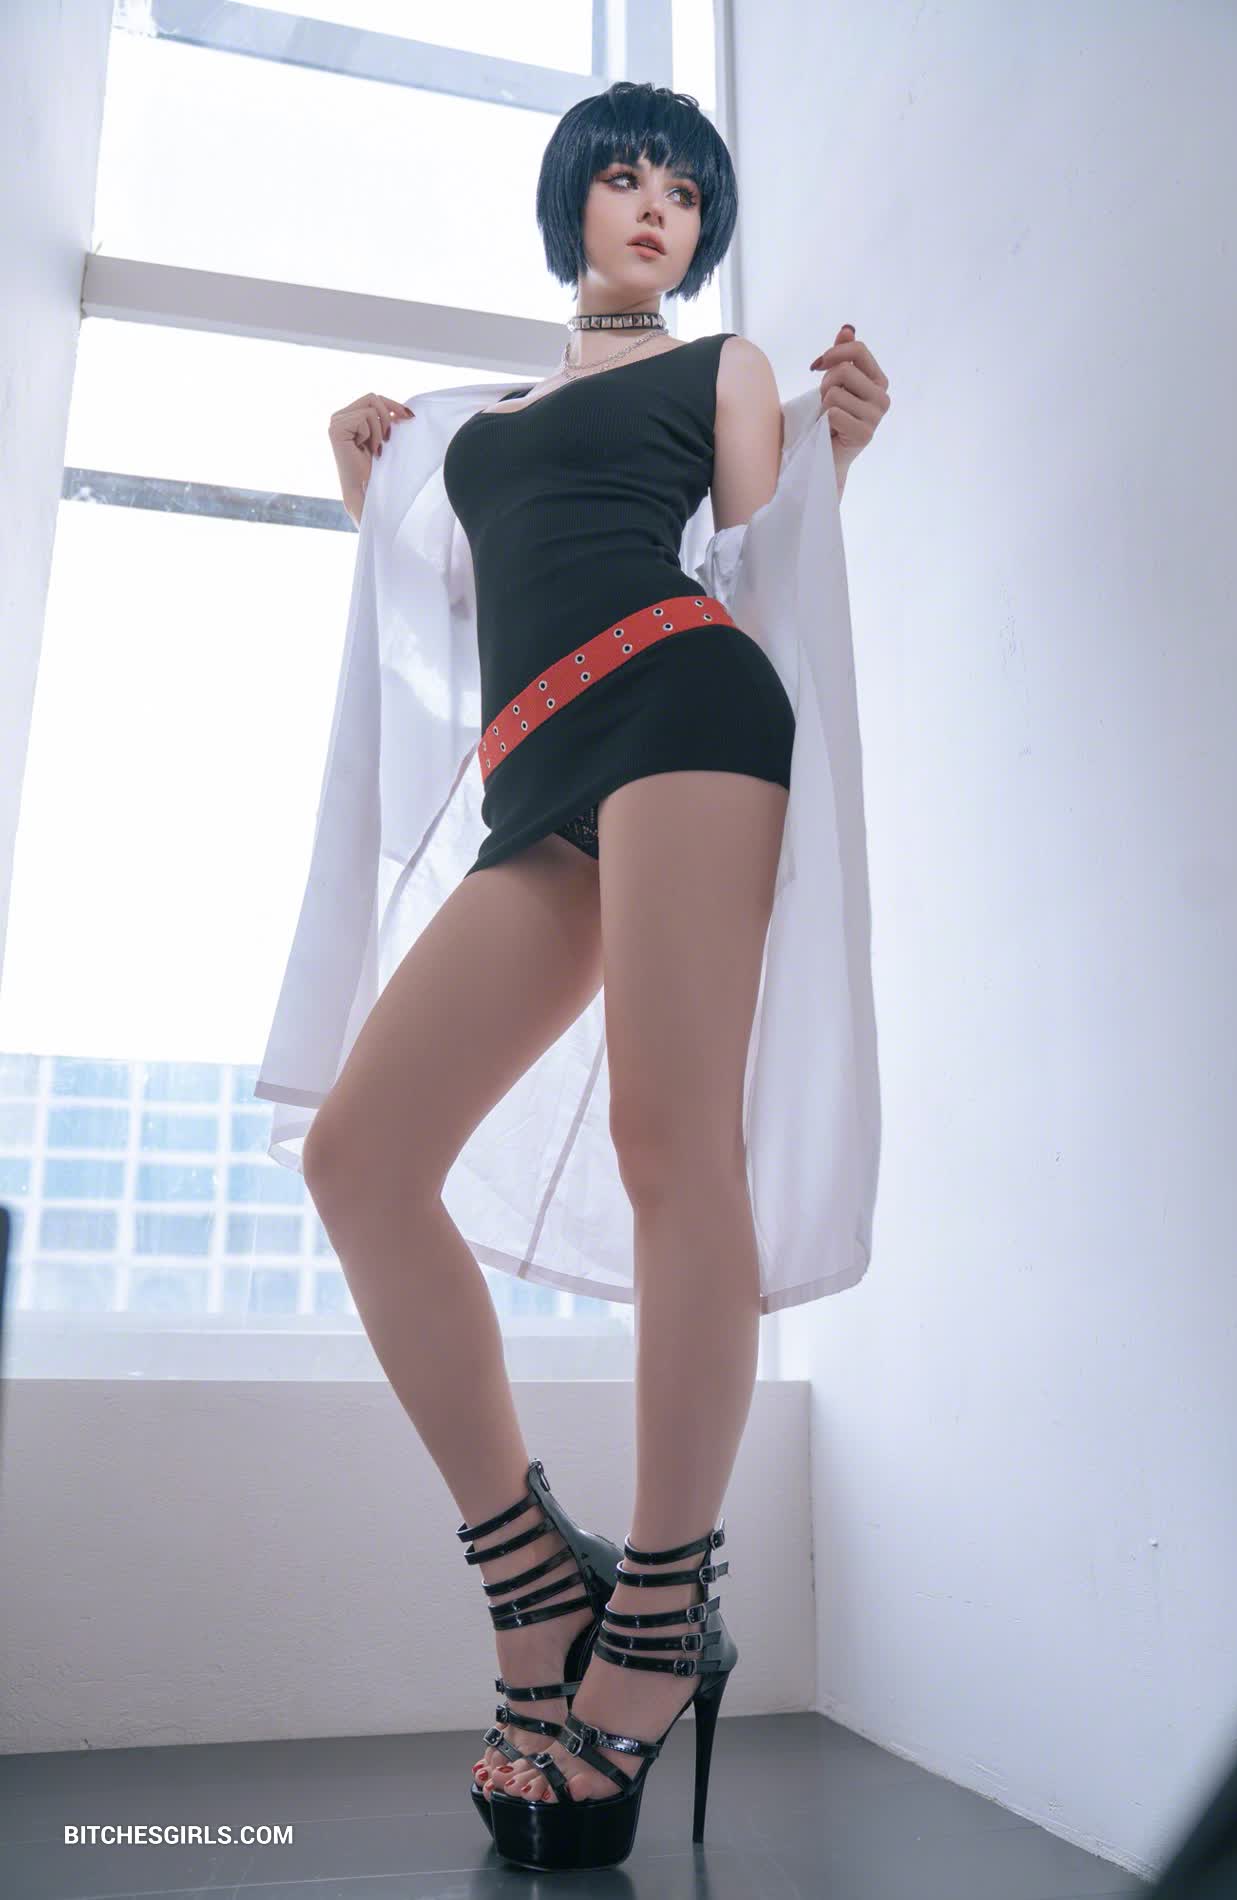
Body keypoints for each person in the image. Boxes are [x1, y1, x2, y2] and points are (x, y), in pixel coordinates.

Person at [259, 79, 890, 1872]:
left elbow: (760, 553)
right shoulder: (478, 427)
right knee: (359, 1158)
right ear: (571, 206)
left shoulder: (726, 370)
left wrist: (839, 446)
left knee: (667, 1142)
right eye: (623, 178)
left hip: (686, 707)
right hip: (537, 762)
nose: (654, 207)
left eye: (684, 190)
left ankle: (661, 1610)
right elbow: (447, 609)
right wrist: (366, 479)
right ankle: (533, 1574)